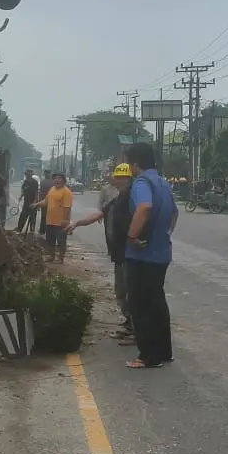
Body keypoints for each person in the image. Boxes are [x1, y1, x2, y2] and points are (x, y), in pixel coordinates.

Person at [123, 143, 178, 369]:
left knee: (139, 304)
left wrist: (132, 236)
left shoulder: (142, 183)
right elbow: (174, 213)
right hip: (161, 252)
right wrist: (163, 234)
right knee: (157, 302)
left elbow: (144, 207)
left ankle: (148, 356)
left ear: (135, 163)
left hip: (142, 256)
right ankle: (164, 352)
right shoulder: (163, 183)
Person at [69, 163, 134, 339]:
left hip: (132, 252)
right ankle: (129, 322)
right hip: (117, 250)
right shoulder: (114, 197)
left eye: (124, 177)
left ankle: (136, 329)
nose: (120, 180)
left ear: (130, 177)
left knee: (130, 290)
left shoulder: (136, 196)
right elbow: (98, 214)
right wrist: (77, 223)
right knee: (120, 290)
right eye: (118, 177)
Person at [34, 171, 73, 263]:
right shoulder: (52, 189)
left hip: (60, 222)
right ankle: (51, 256)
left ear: (64, 180)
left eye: (59, 178)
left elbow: (67, 208)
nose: (57, 180)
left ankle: (60, 258)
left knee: (61, 241)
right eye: (55, 178)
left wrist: (64, 220)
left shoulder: (66, 192)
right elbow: (46, 201)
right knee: (50, 240)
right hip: (50, 220)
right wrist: (37, 204)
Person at [38, 170, 52, 235]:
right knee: (49, 216)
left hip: (45, 201)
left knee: (43, 216)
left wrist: (39, 202)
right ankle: (48, 230)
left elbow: (41, 193)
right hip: (51, 202)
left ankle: (42, 230)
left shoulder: (42, 182)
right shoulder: (53, 182)